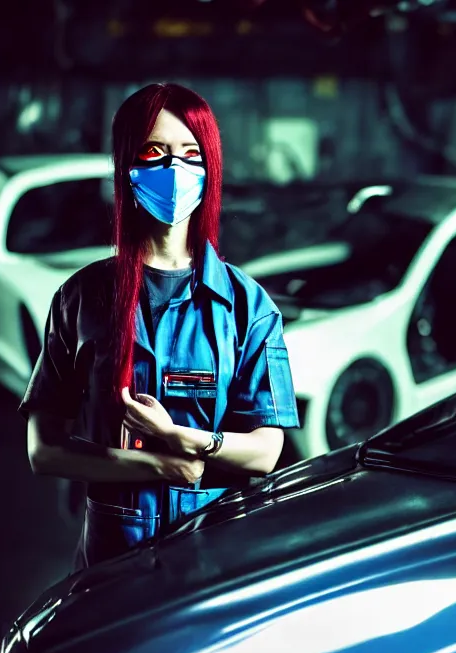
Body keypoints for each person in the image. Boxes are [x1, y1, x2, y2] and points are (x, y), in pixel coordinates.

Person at [19, 83, 300, 571]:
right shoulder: (82, 298)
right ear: (126, 168)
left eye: (191, 155)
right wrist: (155, 465)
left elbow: (265, 452)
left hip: (210, 553)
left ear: (209, 170)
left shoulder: (247, 307)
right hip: (111, 557)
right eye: (155, 153)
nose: (176, 171)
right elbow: (43, 451)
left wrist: (186, 440)